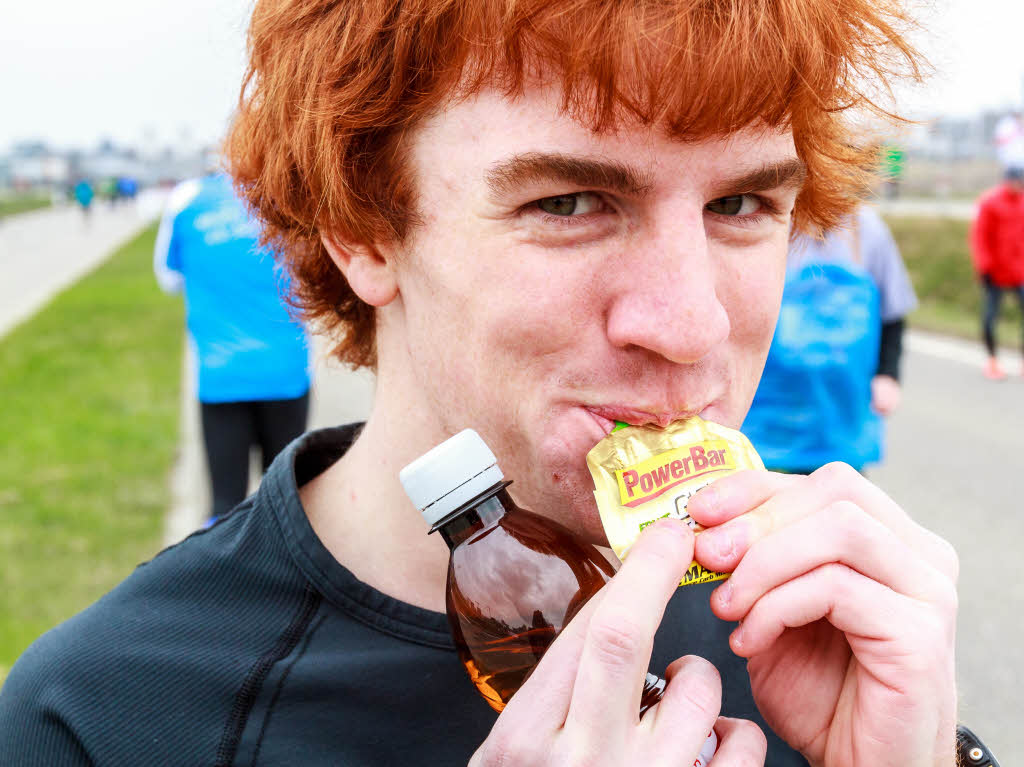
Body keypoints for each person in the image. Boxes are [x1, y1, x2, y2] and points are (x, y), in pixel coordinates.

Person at [0, 2, 961, 766]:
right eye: (572, 201)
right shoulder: (100, 720)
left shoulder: (824, 620)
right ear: (364, 230)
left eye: (742, 203)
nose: (691, 324)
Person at [153, 171, 312, 519]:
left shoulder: (186, 199)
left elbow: (167, 277)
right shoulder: (287, 195)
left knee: (225, 505)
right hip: (285, 371)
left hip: (221, 373)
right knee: (287, 504)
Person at [743, 205, 917, 473]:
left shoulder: (868, 229)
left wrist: (888, 374)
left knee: (841, 495)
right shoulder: (767, 223)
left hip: (844, 403)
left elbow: (892, 312)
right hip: (772, 405)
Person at [970, 166, 1024, 379]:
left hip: (1019, 271)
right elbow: (980, 237)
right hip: (995, 271)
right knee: (991, 316)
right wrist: (984, 267)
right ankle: (992, 360)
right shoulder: (990, 202)